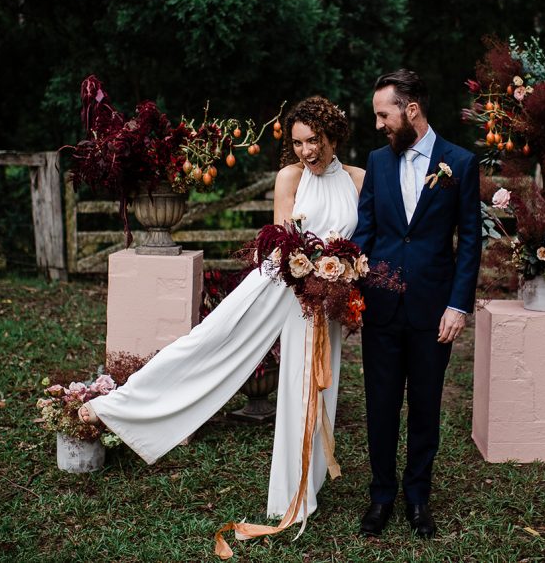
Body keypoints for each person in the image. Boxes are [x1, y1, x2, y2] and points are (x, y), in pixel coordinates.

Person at [79, 96, 365, 529]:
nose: (308, 151)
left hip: (327, 299)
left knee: (318, 387)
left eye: (315, 141)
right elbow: (282, 240)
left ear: (333, 135)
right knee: (211, 340)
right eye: (299, 143)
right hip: (280, 286)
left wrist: (343, 279)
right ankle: (120, 406)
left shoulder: (360, 179)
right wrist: (309, 268)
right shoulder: (290, 176)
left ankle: (307, 486)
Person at [351, 69, 482, 538]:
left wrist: (458, 306)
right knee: (381, 406)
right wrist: (343, 287)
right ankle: (381, 496)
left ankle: (418, 497)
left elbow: (469, 241)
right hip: (381, 308)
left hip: (433, 311)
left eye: (383, 114)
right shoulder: (376, 163)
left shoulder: (460, 164)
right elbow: (365, 233)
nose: (378, 124)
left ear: (411, 110)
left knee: (425, 406)